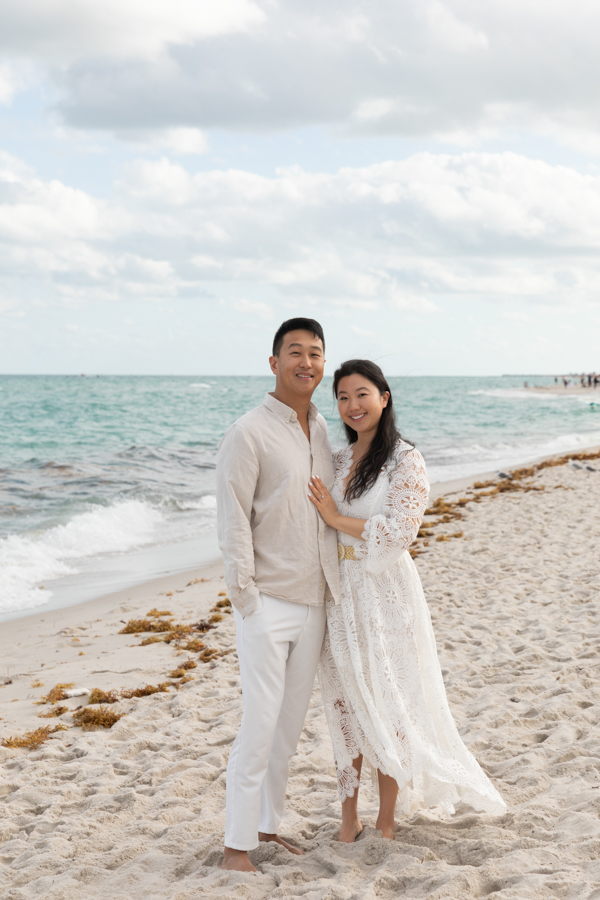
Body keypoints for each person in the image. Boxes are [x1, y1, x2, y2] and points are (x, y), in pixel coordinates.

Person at [309, 359, 506, 842]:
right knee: (344, 703)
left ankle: (386, 818)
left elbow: (399, 533)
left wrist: (336, 518)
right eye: (342, 397)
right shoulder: (336, 459)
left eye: (362, 394)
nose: (352, 406)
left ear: (384, 397)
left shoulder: (405, 460)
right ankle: (348, 816)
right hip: (339, 591)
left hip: (385, 591)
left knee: (389, 697)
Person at [216, 317, 340, 872]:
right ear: (273, 362)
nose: (306, 362)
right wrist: (246, 597)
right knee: (260, 724)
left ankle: (267, 828)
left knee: (287, 729)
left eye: (315, 353)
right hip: (266, 602)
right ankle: (235, 847)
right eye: (295, 352)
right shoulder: (248, 431)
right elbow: (233, 517)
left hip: (314, 601)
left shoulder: (319, 429)